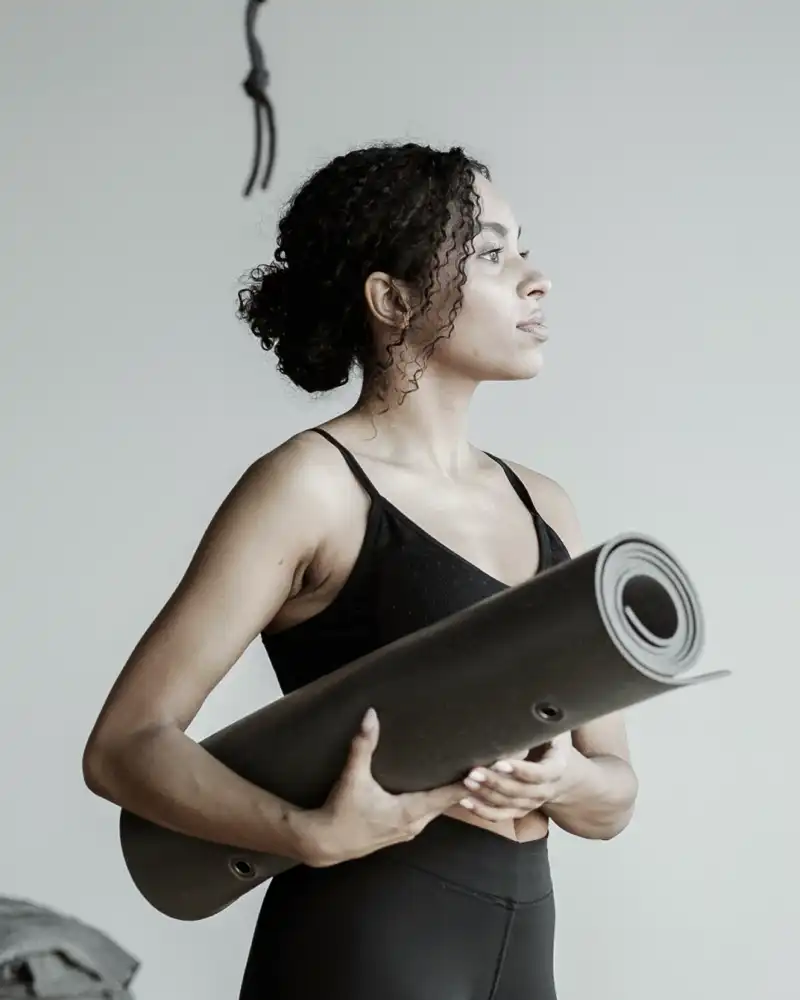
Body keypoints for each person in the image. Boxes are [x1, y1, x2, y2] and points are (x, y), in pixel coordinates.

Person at [82, 142, 639, 1000]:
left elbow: (614, 799)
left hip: (525, 941)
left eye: (524, 249)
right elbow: (125, 746)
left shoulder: (547, 504)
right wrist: (304, 832)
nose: (537, 280)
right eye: (492, 254)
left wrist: (563, 779)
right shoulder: (312, 486)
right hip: (366, 934)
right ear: (393, 300)